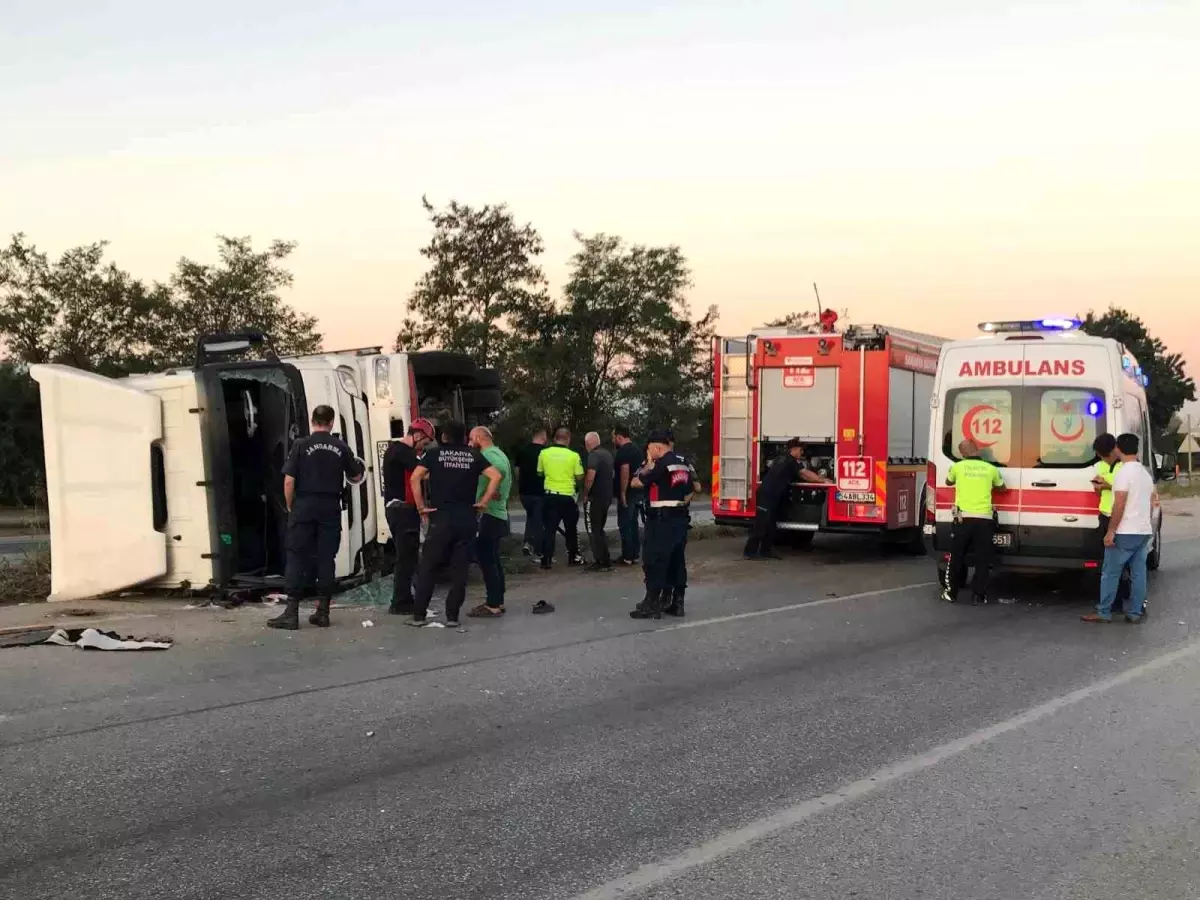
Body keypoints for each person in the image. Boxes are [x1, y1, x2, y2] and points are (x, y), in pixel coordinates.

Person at [268, 405, 366, 630]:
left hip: (304, 506)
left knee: (296, 555)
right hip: (330, 508)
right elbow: (357, 474)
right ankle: (323, 612)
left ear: (313, 421)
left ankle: (291, 613)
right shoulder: (341, 446)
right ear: (331, 422)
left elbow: (288, 481)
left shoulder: (301, 445)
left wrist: (291, 505)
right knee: (326, 558)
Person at [408, 420, 502, 628]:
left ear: (443, 437)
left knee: (429, 567)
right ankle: (452, 617)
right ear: (463, 436)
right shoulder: (474, 456)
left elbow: (415, 478)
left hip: (441, 518)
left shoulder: (433, 454)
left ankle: (419, 615)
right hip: (466, 518)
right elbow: (496, 476)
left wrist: (421, 507)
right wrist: (484, 502)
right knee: (460, 569)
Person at [1083, 432, 1158, 624]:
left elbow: (1119, 504)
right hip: (1143, 530)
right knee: (1138, 573)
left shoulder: (1124, 473)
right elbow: (1151, 502)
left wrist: (1111, 531)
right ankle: (1135, 613)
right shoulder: (1145, 473)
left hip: (1125, 531)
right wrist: (1146, 524)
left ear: (1118, 448)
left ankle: (1104, 611)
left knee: (1110, 572)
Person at [628, 429, 700, 620]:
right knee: (676, 562)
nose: (648, 452)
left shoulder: (660, 464)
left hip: (661, 520)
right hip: (680, 518)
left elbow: (636, 482)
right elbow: (692, 489)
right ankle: (677, 604)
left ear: (657, 447)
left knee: (654, 561)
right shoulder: (683, 463)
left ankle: (651, 604)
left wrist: (648, 466)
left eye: (650, 449)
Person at [381, 417, 436, 615]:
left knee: (409, 556)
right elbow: (424, 473)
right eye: (425, 442)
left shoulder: (397, 451)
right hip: (402, 509)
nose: (423, 447)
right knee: (406, 557)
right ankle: (401, 601)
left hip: (399, 509)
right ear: (418, 435)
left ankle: (405, 598)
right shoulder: (402, 452)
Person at [940, 438, 1005, 605]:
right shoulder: (991, 469)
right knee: (983, 559)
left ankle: (951, 593)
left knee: (956, 557)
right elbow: (1001, 487)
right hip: (984, 519)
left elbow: (948, 482)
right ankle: (979, 595)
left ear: (962, 454)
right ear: (977, 450)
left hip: (963, 520)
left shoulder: (957, 467)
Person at [744, 439, 830, 560]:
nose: (801, 452)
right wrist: (823, 480)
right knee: (761, 524)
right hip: (767, 495)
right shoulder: (791, 461)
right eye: (800, 450)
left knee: (771, 525)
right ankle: (750, 552)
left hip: (774, 495)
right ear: (793, 450)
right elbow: (805, 474)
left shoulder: (781, 458)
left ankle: (766, 550)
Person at [467, 426, 513, 618]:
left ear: (479, 437)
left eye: (471, 439)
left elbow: (498, 474)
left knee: (487, 561)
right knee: (493, 560)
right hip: (497, 514)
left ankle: (493, 604)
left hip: (489, 514)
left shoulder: (490, 457)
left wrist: (485, 498)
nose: (469, 443)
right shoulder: (499, 453)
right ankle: (498, 600)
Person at [1091, 432, 1133, 613]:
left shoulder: (1125, 467)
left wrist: (1107, 485)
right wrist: (1098, 487)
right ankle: (1111, 601)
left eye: (1102, 455)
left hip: (1121, 517)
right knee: (1106, 561)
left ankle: (1120, 600)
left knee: (1120, 561)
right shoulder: (1099, 466)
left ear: (1110, 452)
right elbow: (1098, 493)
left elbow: (1125, 492)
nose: (1101, 459)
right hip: (1104, 515)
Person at [537, 427, 585, 571]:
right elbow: (579, 476)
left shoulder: (543, 453)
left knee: (549, 530)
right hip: (567, 496)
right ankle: (572, 557)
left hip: (550, 495)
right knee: (570, 528)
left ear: (555, 438)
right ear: (568, 439)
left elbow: (540, 473)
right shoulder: (574, 456)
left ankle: (546, 560)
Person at [582, 431, 615, 572]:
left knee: (592, 529)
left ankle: (600, 561)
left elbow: (590, 476)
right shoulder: (607, 454)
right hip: (606, 497)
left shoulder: (593, 456)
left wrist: (585, 493)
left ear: (587, 444)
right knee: (599, 528)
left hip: (594, 498)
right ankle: (605, 559)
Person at [613, 425, 643, 565]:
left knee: (625, 524)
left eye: (614, 437)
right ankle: (635, 554)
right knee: (633, 523)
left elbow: (625, 471)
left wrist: (623, 492)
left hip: (628, 493)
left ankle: (627, 556)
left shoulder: (623, 452)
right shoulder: (637, 450)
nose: (613, 440)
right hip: (638, 492)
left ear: (619, 437)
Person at [516, 429, 548, 558]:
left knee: (531, 517)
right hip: (540, 491)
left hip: (525, 492)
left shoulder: (522, 451)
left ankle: (527, 543)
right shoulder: (545, 453)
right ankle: (538, 550)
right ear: (543, 437)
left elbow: (517, 471)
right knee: (538, 520)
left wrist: (521, 485)